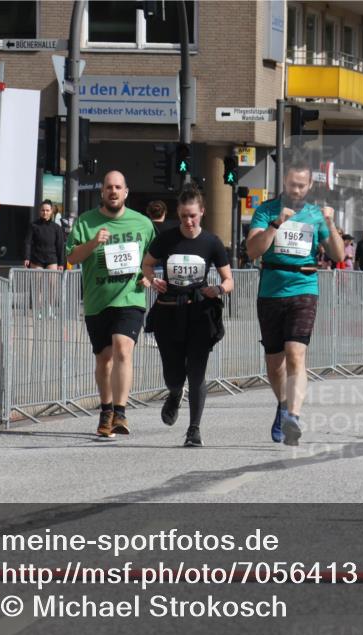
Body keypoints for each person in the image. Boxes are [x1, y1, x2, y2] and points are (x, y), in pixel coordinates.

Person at [246, 156, 345, 446]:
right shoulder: (266, 211)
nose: (297, 190)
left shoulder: (316, 215)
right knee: (274, 362)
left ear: (310, 184)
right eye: (292, 185)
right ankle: (283, 404)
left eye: (302, 185)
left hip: (304, 286)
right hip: (271, 289)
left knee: (295, 354)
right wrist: (276, 224)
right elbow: (253, 250)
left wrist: (330, 223)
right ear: (284, 183)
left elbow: (338, 255)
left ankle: (293, 416)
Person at [65, 171, 156, 439]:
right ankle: (106, 411)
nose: (113, 191)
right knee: (104, 360)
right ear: (102, 192)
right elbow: (72, 256)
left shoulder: (142, 223)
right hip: (97, 300)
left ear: (126, 192)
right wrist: (94, 243)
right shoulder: (86, 222)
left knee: (123, 348)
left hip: (130, 297)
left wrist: (149, 276)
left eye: (118, 187)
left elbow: (152, 258)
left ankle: (121, 411)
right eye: (109, 187)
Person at [142, 186, 233, 447]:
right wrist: (152, 279)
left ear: (202, 212)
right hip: (169, 313)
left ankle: (194, 429)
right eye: (183, 216)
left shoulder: (211, 242)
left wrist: (217, 289)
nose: (188, 221)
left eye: (192, 215)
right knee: (173, 375)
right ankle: (173, 393)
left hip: (199, 312)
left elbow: (229, 281)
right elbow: (147, 264)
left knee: (196, 373)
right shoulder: (167, 239)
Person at [23, 200, 66, 270]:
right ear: (40, 211)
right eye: (43, 210)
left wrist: (61, 263)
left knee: (52, 281)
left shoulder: (57, 228)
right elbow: (28, 243)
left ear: (51, 211)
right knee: (36, 281)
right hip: (36, 260)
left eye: (47, 210)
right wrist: (27, 257)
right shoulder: (33, 225)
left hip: (52, 260)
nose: (45, 212)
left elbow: (60, 246)